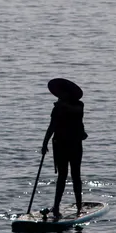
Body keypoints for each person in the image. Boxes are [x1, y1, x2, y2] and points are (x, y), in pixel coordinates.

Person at [41, 78, 87, 218]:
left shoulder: (78, 105)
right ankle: (56, 207)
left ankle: (79, 206)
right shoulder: (57, 108)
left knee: (75, 175)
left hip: (74, 144)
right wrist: (44, 144)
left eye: (63, 93)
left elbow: (76, 111)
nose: (61, 95)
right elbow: (52, 127)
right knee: (61, 176)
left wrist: (62, 106)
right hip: (60, 144)